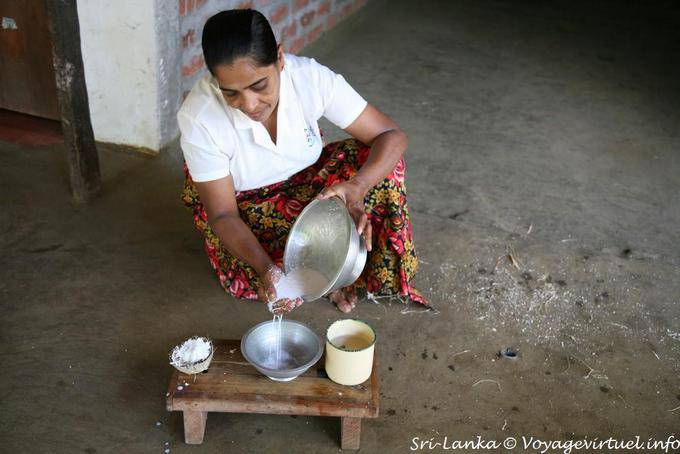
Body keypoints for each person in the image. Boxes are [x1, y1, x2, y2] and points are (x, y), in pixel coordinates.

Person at [179, 9, 428, 314]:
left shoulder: (308, 78)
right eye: (231, 93)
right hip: (247, 212)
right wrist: (266, 268)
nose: (249, 105)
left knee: (381, 165)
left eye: (259, 86)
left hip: (310, 187)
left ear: (280, 59)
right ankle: (321, 273)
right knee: (280, 283)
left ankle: (340, 267)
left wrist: (358, 187)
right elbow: (223, 215)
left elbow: (391, 135)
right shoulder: (199, 118)